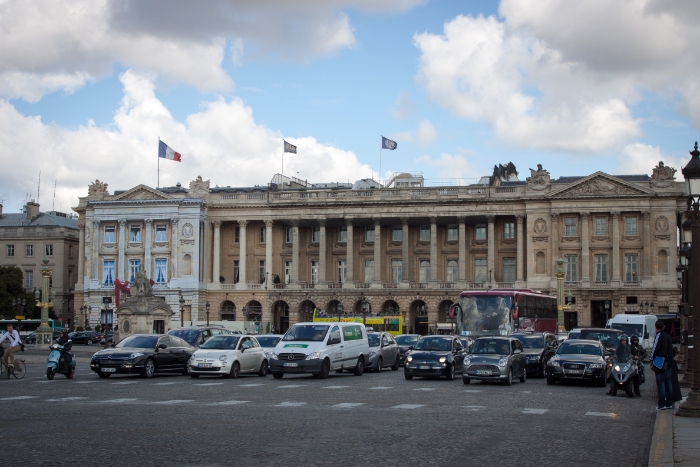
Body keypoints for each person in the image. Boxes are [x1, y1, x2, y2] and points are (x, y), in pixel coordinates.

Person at [650, 320, 674, 410]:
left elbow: (655, 348)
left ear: (656, 327)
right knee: (668, 383)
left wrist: (651, 358)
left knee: (661, 384)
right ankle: (669, 403)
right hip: (669, 361)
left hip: (660, 362)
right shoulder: (668, 337)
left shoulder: (659, 335)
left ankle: (662, 404)